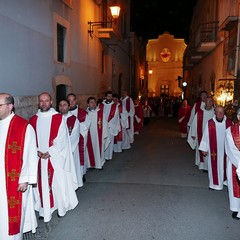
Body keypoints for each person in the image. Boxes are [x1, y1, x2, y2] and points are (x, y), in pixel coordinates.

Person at [29, 92, 78, 223]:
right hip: (39, 158)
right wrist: (38, 151)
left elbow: (62, 138)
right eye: (41, 101)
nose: (44, 103)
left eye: (46, 101)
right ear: (38, 103)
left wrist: (50, 151)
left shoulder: (58, 118)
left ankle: (59, 207)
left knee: (57, 183)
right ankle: (44, 209)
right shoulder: (33, 119)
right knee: (41, 184)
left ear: (51, 102)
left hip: (55, 157)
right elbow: (30, 139)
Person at [0, 93, 38, 239]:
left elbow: (30, 154)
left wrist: (25, 178)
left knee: (11, 216)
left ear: (10, 107)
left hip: (14, 181)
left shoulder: (23, 126)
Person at [199, 105, 232, 190]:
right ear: (215, 113)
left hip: (226, 150)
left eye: (222, 112)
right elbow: (205, 136)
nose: (220, 114)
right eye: (218, 112)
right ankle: (214, 184)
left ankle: (225, 181)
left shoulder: (229, 123)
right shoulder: (210, 123)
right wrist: (203, 148)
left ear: (224, 113)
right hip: (214, 150)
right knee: (214, 165)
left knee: (226, 166)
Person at [59, 99, 87, 188]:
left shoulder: (74, 120)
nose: (62, 107)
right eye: (60, 105)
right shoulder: (55, 118)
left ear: (69, 106)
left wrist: (65, 150)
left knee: (71, 170)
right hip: (58, 152)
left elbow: (74, 137)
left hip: (71, 151)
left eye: (65, 105)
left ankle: (72, 187)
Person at [67, 93, 91, 180]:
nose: (72, 102)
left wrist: (75, 128)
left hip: (81, 137)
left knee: (81, 155)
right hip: (68, 140)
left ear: (76, 100)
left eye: (73, 100)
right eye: (69, 100)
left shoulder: (83, 113)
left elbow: (87, 124)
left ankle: (81, 174)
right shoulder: (64, 113)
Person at [187, 97, 214, 170]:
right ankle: (202, 166)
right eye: (208, 101)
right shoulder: (200, 112)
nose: (209, 102)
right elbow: (194, 123)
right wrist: (193, 134)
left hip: (212, 136)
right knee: (202, 150)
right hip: (201, 135)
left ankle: (210, 166)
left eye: (211, 101)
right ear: (205, 102)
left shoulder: (215, 113)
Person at [86, 97, 110, 169]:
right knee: (89, 150)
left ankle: (100, 164)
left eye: (94, 102)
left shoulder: (101, 113)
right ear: (88, 104)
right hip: (88, 136)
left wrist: (105, 134)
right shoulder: (85, 114)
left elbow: (105, 124)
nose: (93, 104)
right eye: (91, 102)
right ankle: (90, 164)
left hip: (99, 136)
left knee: (99, 148)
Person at [225, 108, 240, 219]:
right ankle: (236, 208)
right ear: (238, 116)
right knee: (235, 186)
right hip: (235, 163)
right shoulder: (230, 131)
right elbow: (231, 150)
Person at [99, 91, 120, 160]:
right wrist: (103, 124)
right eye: (108, 96)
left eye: (111, 96)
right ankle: (103, 156)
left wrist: (108, 124)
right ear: (105, 97)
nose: (110, 98)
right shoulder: (101, 105)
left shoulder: (115, 106)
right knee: (103, 141)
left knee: (110, 141)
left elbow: (115, 116)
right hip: (102, 126)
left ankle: (108, 156)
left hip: (110, 126)